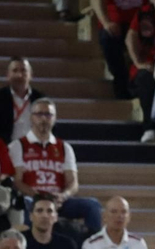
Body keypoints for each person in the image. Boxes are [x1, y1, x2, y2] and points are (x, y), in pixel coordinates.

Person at [10, 98, 102, 234]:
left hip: (58, 201)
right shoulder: (17, 146)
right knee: (27, 207)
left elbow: (73, 182)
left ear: (54, 118)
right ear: (31, 117)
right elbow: (17, 181)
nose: (43, 119)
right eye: (39, 114)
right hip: (32, 199)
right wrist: (39, 196)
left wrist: (63, 196)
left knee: (92, 205)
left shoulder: (64, 147)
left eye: (48, 115)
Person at [0, 57, 46, 146]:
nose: (19, 75)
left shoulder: (40, 99)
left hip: (35, 148)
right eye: (15, 71)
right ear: (8, 75)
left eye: (23, 70)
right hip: (6, 149)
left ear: (31, 75)